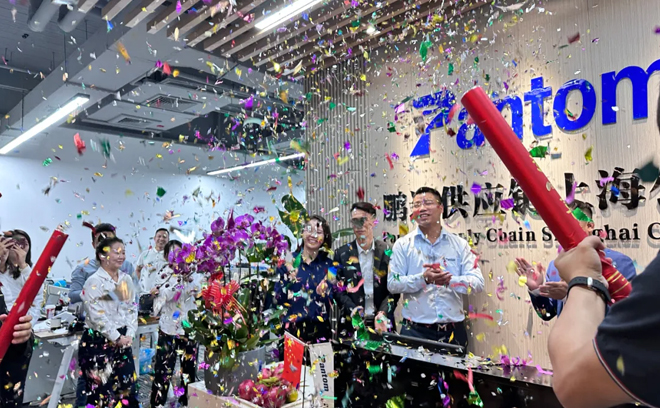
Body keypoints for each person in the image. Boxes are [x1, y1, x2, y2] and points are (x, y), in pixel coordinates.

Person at [387, 187, 484, 349]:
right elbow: (392, 284)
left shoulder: (459, 245)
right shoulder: (403, 245)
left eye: (428, 203)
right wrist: (423, 279)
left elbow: (478, 283)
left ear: (441, 208)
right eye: (416, 205)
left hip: (452, 331)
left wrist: (449, 280)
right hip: (415, 331)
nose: (422, 208)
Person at [516, 202, 637, 320]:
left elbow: (629, 314)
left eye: (570, 224)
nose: (563, 231)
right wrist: (536, 290)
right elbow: (547, 313)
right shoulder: (555, 266)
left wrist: (570, 296)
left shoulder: (620, 262)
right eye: (559, 225)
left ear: (589, 226)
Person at [70, 222, 135, 408]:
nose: (121, 256)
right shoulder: (93, 281)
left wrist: (129, 333)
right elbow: (97, 316)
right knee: (99, 395)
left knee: (127, 390)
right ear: (102, 254)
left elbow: (132, 307)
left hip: (123, 339)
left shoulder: (126, 278)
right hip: (98, 341)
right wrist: (117, 337)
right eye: (116, 252)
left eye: (123, 252)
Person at [150, 240, 203, 408]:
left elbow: (199, 292)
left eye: (180, 253)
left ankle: (186, 403)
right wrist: (179, 281)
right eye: (172, 254)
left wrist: (190, 281)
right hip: (168, 330)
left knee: (189, 371)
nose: (177, 257)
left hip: (188, 328)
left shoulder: (193, 273)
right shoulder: (162, 274)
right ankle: (157, 404)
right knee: (163, 371)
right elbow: (164, 297)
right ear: (166, 256)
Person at [334, 202, 399, 335]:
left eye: (363, 220)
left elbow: (394, 289)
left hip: (381, 323)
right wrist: (352, 310)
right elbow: (337, 290)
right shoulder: (341, 254)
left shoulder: (388, 251)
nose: (359, 226)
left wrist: (383, 312)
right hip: (352, 325)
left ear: (374, 221)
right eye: (355, 221)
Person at [274, 215, 334, 343]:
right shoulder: (289, 260)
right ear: (302, 233)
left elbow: (332, 299)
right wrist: (288, 279)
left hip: (320, 332)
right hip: (291, 332)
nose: (313, 235)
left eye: (318, 232)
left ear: (325, 237)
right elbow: (277, 298)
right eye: (309, 229)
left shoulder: (330, 266)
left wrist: (322, 293)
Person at [0, 231, 38, 408]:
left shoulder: (20, 272)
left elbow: (36, 297)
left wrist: (22, 264)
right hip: (5, 334)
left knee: (14, 393)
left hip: (20, 339)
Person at [69, 223, 136, 305]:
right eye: (101, 241)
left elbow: (135, 294)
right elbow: (72, 296)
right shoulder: (82, 269)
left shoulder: (127, 266)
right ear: (94, 245)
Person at [136, 228, 170, 294]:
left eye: (164, 237)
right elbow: (138, 270)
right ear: (154, 238)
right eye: (159, 236)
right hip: (146, 294)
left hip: (163, 294)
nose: (161, 239)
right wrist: (137, 286)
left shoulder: (170, 257)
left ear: (168, 240)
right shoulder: (145, 254)